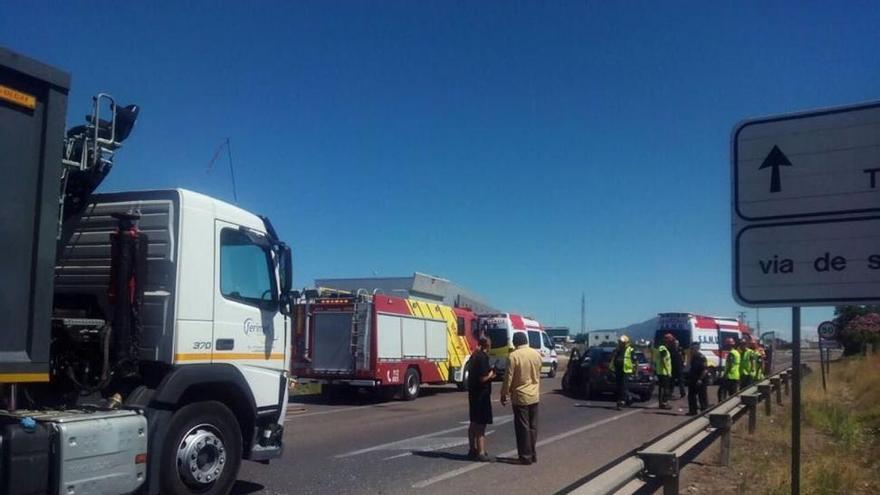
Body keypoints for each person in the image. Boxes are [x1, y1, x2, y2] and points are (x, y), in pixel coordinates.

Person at [500, 331, 542, 465]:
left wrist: (504, 393)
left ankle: (525, 456)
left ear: (515, 342)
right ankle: (533, 453)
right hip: (534, 395)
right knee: (532, 427)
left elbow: (508, 377)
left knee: (522, 427)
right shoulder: (536, 354)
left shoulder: (513, 356)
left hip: (520, 396)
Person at [466, 335, 495, 462]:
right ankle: (481, 452)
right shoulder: (482, 358)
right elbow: (482, 378)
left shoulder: (474, 356)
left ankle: (472, 449)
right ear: (487, 346)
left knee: (473, 422)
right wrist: (491, 375)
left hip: (473, 393)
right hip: (481, 395)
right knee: (480, 424)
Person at [609, 335, 636, 410]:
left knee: (624, 386)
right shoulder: (617, 350)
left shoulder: (630, 350)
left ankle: (622, 401)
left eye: (622, 342)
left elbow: (634, 361)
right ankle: (627, 399)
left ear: (626, 342)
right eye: (620, 342)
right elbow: (613, 359)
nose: (620, 343)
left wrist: (634, 370)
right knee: (619, 386)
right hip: (618, 370)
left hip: (626, 370)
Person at [686, 341, 709, 415]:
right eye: (691, 348)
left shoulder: (701, 357)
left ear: (696, 349)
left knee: (702, 396)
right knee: (691, 396)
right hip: (693, 379)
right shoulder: (693, 357)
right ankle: (693, 411)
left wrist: (700, 379)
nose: (691, 350)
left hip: (701, 380)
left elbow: (705, 370)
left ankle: (704, 410)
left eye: (692, 349)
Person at [654, 334, 674, 410]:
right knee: (666, 388)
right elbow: (663, 360)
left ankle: (661, 403)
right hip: (664, 372)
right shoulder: (663, 348)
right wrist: (668, 371)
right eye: (670, 340)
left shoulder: (662, 347)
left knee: (661, 388)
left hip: (661, 371)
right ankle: (664, 403)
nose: (671, 342)